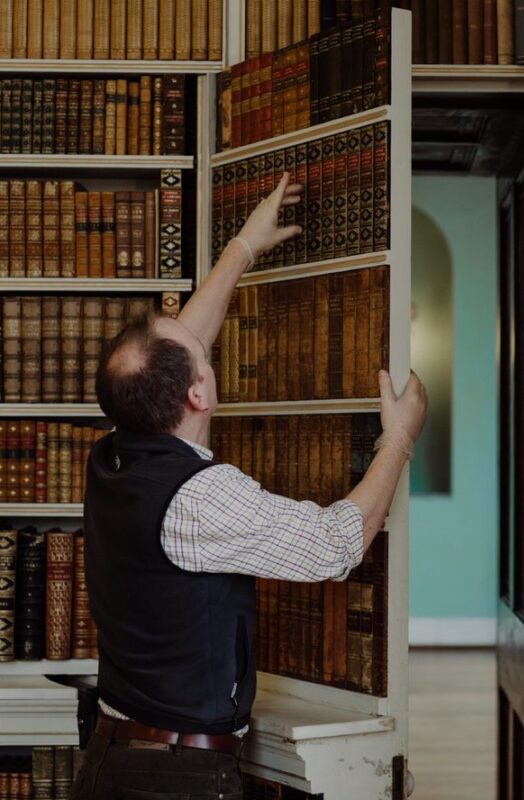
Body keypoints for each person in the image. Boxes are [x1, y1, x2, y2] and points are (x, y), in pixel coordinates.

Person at [71, 173, 427, 800]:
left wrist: (244, 246)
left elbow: (186, 351)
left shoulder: (112, 456)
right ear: (198, 393)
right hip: (172, 779)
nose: (203, 341)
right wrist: (399, 439)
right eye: (199, 355)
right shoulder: (200, 497)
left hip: (113, 757)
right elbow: (333, 546)